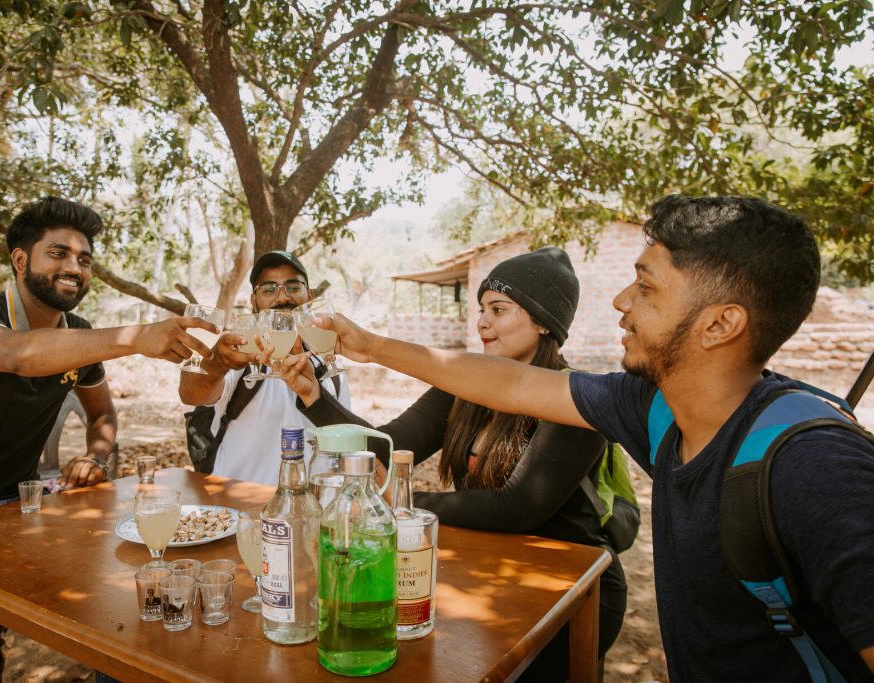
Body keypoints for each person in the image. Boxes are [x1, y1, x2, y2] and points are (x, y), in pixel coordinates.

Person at [300, 196, 874, 682]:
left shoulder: (816, 469)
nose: (621, 302)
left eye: (645, 289)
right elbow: (517, 383)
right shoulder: (649, 407)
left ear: (719, 323)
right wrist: (368, 345)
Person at [0, 196, 215, 683]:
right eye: (59, 253)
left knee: (126, 603)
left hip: (16, 511)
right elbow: (15, 355)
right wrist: (136, 337)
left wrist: (95, 455)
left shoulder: (81, 335)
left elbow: (103, 413)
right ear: (20, 259)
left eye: (84, 259)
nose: (74, 267)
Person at [282, 247, 626, 681]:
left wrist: (399, 501)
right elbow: (389, 445)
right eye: (481, 309)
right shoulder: (462, 389)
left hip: (571, 593)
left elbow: (518, 507)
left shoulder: (575, 402)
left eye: (498, 310)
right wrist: (314, 396)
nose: (482, 322)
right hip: (492, 581)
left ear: (543, 322)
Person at [178, 250, 351, 484]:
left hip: (307, 512)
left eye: (293, 287)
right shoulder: (238, 356)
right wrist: (218, 363)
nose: (282, 297)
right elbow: (191, 394)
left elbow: (343, 446)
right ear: (254, 301)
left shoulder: (330, 369)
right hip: (239, 511)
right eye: (269, 289)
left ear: (308, 296)